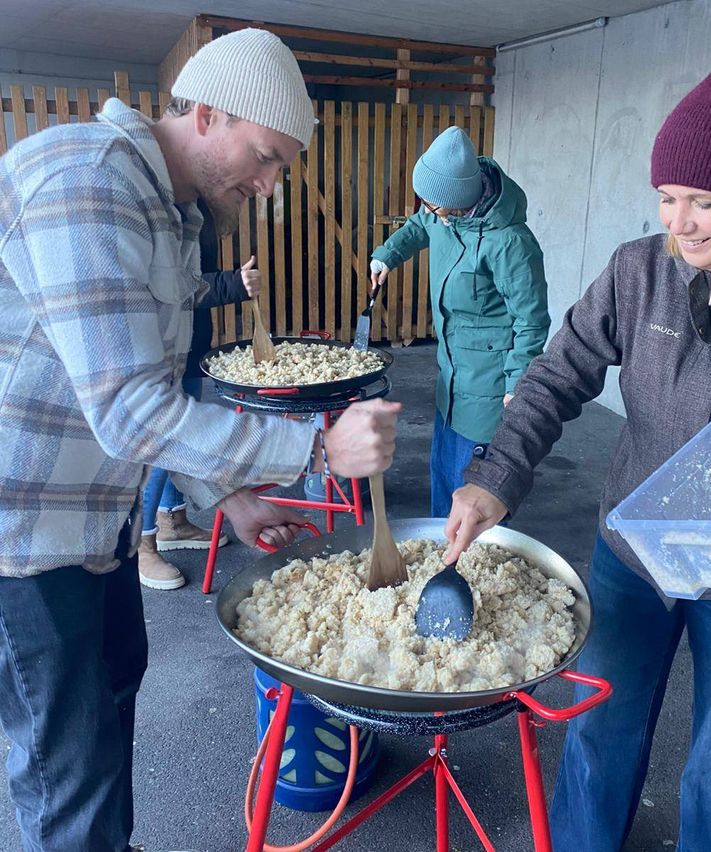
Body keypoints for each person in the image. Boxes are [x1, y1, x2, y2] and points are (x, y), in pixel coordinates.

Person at [0, 29, 400, 852]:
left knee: (110, 703)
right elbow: (128, 408)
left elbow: (165, 388)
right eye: (264, 157)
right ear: (209, 114)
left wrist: (230, 496)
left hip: (92, 520)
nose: (269, 183)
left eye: (283, 165)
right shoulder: (88, 180)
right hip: (21, 534)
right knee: (63, 767)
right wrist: (315, 450)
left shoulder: (172, 213)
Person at [443, 63, 711, 852]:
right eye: (667, 197)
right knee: (601, 724)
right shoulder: (639, 271)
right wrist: (496, 477)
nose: (681, 222)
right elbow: (558, 373)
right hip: (632, 551)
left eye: (704, 200)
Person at [370, 126, 549, 516]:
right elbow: (420, 225)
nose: (427, 208)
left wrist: (518, 384)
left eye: (432, 203)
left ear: (459, 198)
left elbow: (531, 321)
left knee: (472, 492)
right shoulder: (443, 211)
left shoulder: (510, 243)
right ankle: (440, 552)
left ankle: (469, 569)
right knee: (442, 474)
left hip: (488, 385)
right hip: (450, 375)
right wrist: (387, 255)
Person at [138, 196, 260, 590]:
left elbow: (193, 273)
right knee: (162, 444)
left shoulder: (197, 205)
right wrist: (233, 283)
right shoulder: (164, 206)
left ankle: (171, 519)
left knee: (179, 434)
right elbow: (170, 288)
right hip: (161, 346)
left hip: (189, 344)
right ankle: (140, 544)